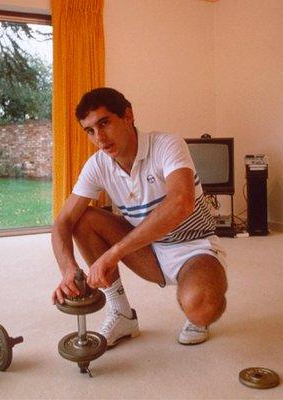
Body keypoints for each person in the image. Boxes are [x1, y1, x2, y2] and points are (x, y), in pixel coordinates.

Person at [51, 87, 228, 347]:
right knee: (83, 218)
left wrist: (113, 253)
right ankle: (121, 313)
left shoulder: (167, 144)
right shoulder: (98, 164)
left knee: (201, 305)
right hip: (147, 251)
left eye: (104, 123)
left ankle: (198, 313)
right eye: (89, 131)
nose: (99, 138)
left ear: (128, 115)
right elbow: (63, 222)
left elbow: (181, 202)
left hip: (194, 248)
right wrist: (68, 269)